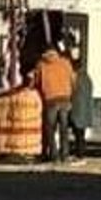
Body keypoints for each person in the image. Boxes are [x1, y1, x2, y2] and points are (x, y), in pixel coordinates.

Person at [33, 34, 80, 162]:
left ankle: (54, 155)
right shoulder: (65, 62)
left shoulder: (41, 64)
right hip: (65, 99)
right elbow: (73, 80)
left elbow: (36, 82)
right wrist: (71, 94)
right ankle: (65, 155)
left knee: (50, 129)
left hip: (50, 100)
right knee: (64, 129)